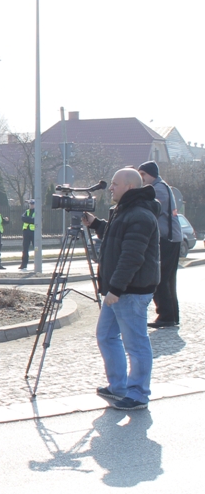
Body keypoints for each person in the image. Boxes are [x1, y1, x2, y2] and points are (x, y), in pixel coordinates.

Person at [82, 168, 161, 411]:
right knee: (106, 336)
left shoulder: (140, 214)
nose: (111, 188)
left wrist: (114, 289)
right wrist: (96, 224)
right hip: (118, 290)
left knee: (136, 344)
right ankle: (119, 386)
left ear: (128, 186)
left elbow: (132, 256)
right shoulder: (126, 210)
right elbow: (117, 236)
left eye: (115, 184)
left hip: (131, 291)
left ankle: (138, 394)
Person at [138, 161, 181, 328]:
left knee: (159, 278)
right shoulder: (161, 187)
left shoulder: (158, 189)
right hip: (171, 238)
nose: (141, 178)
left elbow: (152, 208)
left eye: (143, 175)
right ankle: (171, 316)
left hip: (167, 239)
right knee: (168, 279)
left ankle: (166, 315)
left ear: (151, 174)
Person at [19, 199, 36, 271]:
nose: (31, 205)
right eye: (30, 204)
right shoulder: (27, 211)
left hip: (34, 233)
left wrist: (29, 219)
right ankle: (24, 264)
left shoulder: (38, 212)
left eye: (32, 204)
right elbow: (23, 218)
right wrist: (31, 219)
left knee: (36, 249)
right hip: (26, 232)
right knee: (25, 249)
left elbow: (36, 220)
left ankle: (37, 264)